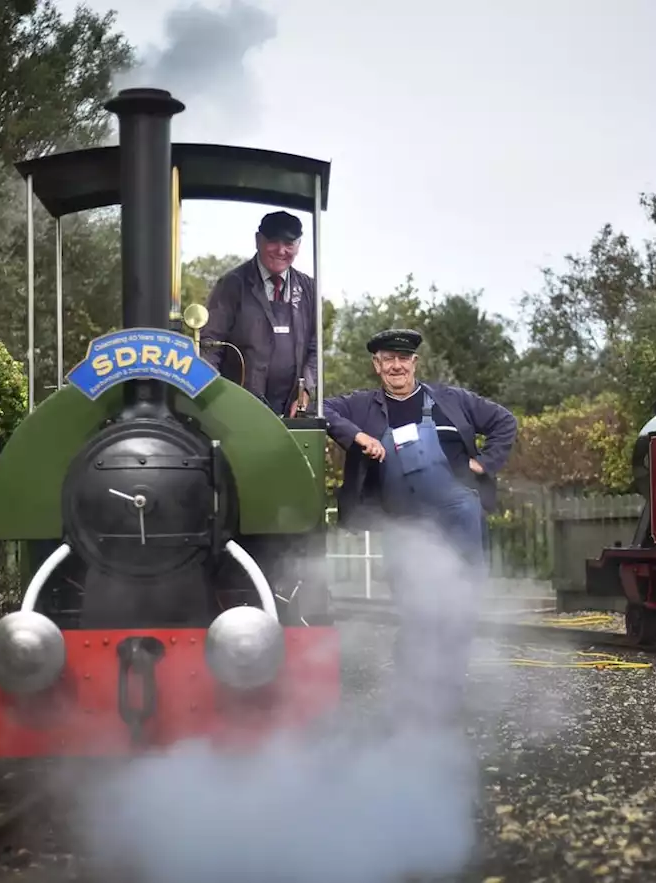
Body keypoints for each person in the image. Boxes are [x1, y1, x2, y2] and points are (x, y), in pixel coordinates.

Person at [323, 328, 517, 728]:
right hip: (404, 524)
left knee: (460, 604)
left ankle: (449, 693)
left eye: (403, 358)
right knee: (414, 609)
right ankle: (415, 693)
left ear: (414, 363)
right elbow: (321, 410)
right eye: (387, 359)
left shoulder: (452, 401)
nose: (396, 365)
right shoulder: (362, 406)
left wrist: (483, 464)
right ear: (376, 365)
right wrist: (357, 436)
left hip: (459, 517)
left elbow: (504, 421)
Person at [198, 211, 318, 417]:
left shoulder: (309, 288)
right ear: (258, 240)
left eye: (289, 243)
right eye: (273, 241)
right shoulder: (232, 285)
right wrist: (214, 399)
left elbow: (316, 349)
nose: (281, 250)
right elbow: (209, 345)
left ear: (298, 245)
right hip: (239, 411)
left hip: (292, 411)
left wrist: (306, 389)